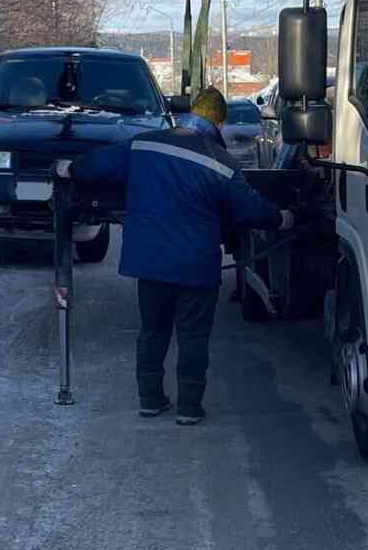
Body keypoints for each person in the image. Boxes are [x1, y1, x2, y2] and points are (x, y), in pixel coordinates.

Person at [59, 86, 293, 424]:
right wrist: (282, 218)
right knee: (193, 336)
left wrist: (69, 169)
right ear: (219, 122)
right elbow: (248, 209)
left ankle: (150, 399)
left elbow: (98, 164)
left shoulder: (144, 144)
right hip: (196, 268)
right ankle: (189, 407)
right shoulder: (221, 162)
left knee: (153, 332)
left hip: (150, 264)